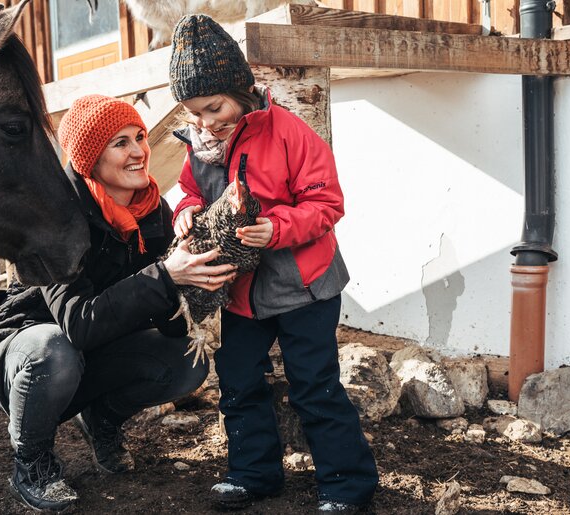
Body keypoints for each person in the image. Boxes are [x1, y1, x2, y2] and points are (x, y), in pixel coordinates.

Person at [0, 95, 236, 512]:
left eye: (138, 137)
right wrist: (166, 275)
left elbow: (162, 319)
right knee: (54, 351)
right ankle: (33, 463)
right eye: (120, 143)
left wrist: (195, 285)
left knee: (187, 362)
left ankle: (102, 419)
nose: (139, 152)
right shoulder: (55, 217)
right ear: (90, 158)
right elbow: (78, 324)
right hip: (22, 356)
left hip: (92, 353)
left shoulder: (154, 211)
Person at [168, 15, 379, 513]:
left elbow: (327, 203)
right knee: (238, 382)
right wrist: (185, 214)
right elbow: (190, 193)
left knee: (314, 384)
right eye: (193, 112)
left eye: (214, 107)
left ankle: (348, 485)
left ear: (240, 90)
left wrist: (277, 229)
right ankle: (253, 473)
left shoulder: (289, 132)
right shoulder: (198, 147)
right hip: (240, 293)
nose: (205, 123)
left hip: (305, 288)